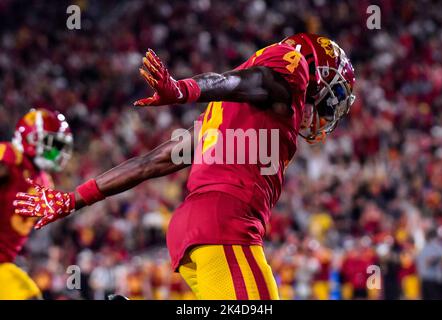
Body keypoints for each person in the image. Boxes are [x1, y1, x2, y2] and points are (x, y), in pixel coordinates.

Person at [14, 33, 355, 300]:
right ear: (319, 72)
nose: (326, 113)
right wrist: (184, 90)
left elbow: (154, 161)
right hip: (227, 223)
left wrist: (75, 198)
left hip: (194, 227)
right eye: (333, 94)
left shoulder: (229, 118)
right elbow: (242, 82)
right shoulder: (289, 68)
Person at [0, 108, 73, 299]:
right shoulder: (10, 155)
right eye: (52, 145)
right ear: (31, 139)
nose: (55, 153)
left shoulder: (44, 181)